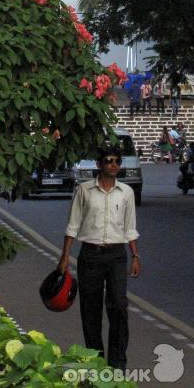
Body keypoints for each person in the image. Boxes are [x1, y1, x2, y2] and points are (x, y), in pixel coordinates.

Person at [57, 146, 140, 373]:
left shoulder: (126, 193)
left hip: (116, 256)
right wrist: (65, 256)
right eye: (108, 161)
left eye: (117, 161)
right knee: (90, 310)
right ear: (99, 164)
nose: (113, 165)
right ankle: (95, 361)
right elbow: (72, 225)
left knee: (118, 307)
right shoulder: (84, 191)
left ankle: (117, 364)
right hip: (90, 255)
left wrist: (135, 255)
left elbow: (130, 228)